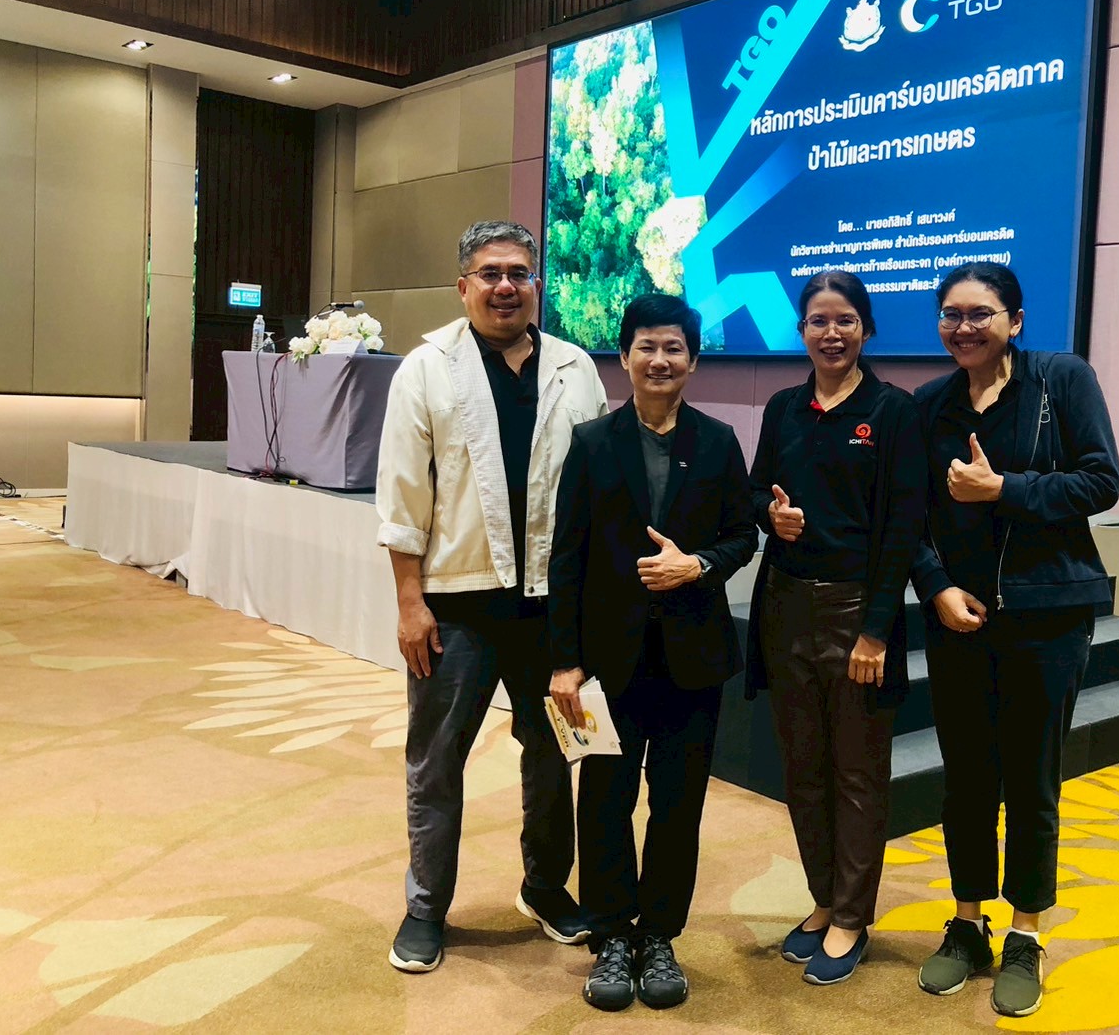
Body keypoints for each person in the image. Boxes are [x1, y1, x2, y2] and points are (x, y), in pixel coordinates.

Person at [375, 219, 607, 973]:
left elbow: (597, 489)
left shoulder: (575, 368)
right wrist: (410, 603)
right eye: (490, 273)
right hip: (457, 607)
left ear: (536, 283)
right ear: (463, 286)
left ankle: (544, 887)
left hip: (551, 610)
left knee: (555, 756)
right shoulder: (426, 369)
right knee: (436, 761)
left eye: (518, 273)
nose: (506, 286)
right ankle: (425, 908)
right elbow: (403, 496)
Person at [910, 262, 1119, 1017]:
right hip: (958, 619)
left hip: (1046, 617)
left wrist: (1005, 489)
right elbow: (910, 514)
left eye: (980, 313)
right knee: (965, 779)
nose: (963, 327)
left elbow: (1101, 481)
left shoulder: (1061, 381)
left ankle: (1026, 934)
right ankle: (967, 924)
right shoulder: (930, 405)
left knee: (1032, 781)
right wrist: (935, 586)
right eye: (950, 314)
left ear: (1016, 321)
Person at [549, 295, 758, 1011]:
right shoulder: (591, 443)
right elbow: (566, 558)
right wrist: (565, 661)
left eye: (673, 348)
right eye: (646, 346)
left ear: (692, 361)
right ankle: (611, 934)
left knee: (677, 805)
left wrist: (697, 564)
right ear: (624, 356)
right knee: (604, 801)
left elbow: (742, 535)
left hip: (692, 660)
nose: (660, 360)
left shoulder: (719, 441)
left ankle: (660, 934)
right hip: (607, 664)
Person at [745, 271, 926, 987]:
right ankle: (823, 899)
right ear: (801, 331)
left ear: (866, 329)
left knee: (856, 772)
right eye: (818, 321)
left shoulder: (892, 410)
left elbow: (904, 527)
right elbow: (754, 491)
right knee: (803, 768)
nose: (831, 333)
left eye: (845, 320)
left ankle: (852, 915)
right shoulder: (784, 408)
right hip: (785, 607)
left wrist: (876, 631)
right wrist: (771, 516)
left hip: (857, 613)